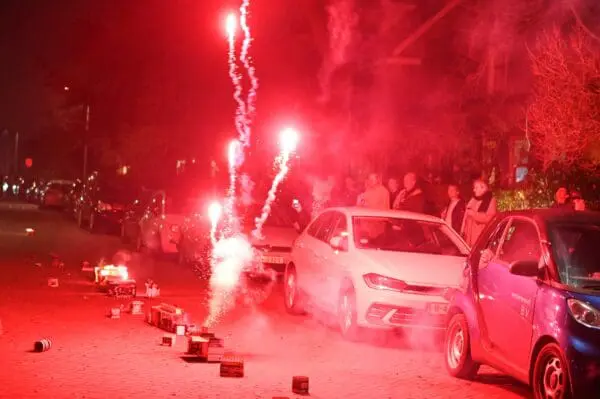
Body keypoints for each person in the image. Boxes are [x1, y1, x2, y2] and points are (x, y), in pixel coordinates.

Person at [461, 179, 497, 246]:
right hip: (468, 236)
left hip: (480, 237)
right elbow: (466, 216)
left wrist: (474, 214)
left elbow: (489, 218)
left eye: (476, 188)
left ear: (483, 188)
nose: (474, 190)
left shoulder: (490, 200)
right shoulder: (473, 199)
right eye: (474, 188)